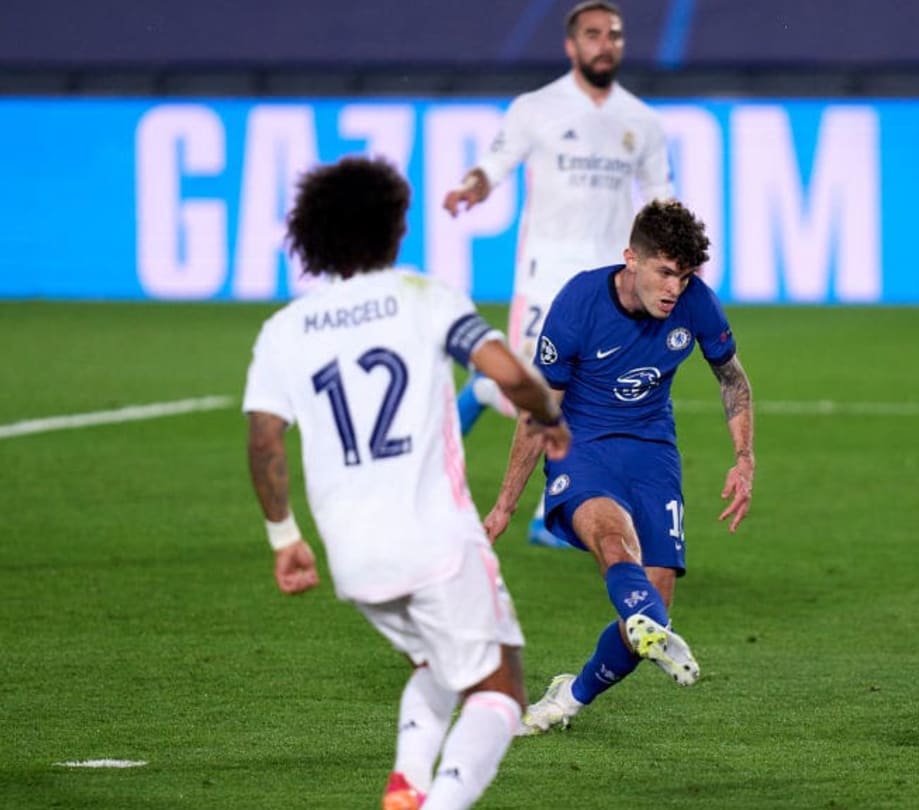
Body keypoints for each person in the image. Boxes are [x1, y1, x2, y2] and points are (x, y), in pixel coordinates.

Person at [242, 156, 571, 810]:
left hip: (352, 557)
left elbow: (263, 439)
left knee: (438, 665)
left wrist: (284, 537)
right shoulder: (424, 295)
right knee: (500, 687)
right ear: (395, 228)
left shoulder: (282, 332)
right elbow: (506, 370)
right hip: (436, 541)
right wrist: (547, 414)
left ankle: (408, 782)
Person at [481, 200, 755, 734]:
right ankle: (641, 621)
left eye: (686, 275)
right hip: (581, 446)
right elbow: (541, 410)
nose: (675, 288)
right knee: (611, 538)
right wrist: (505, 504)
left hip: (654, 452)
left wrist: (744, 459)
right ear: (632, 258)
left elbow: (732, 379)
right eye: (665, 272)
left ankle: (571, 696)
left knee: (650, 615)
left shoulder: (697, 304)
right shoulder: (579, 303)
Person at [443, 0, 674, 548]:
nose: (605, 43)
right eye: (593, 34)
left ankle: (550, 512)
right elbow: (494, 164)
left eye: (613, 34)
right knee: (535, 392)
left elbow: (660, 195)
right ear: (572, 46)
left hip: (612, 282)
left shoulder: (641, 120)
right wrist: (472, 187)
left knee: (586, 395)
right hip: (546, 278)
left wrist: (678, 245)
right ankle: (482, 391)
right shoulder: (536, 108)